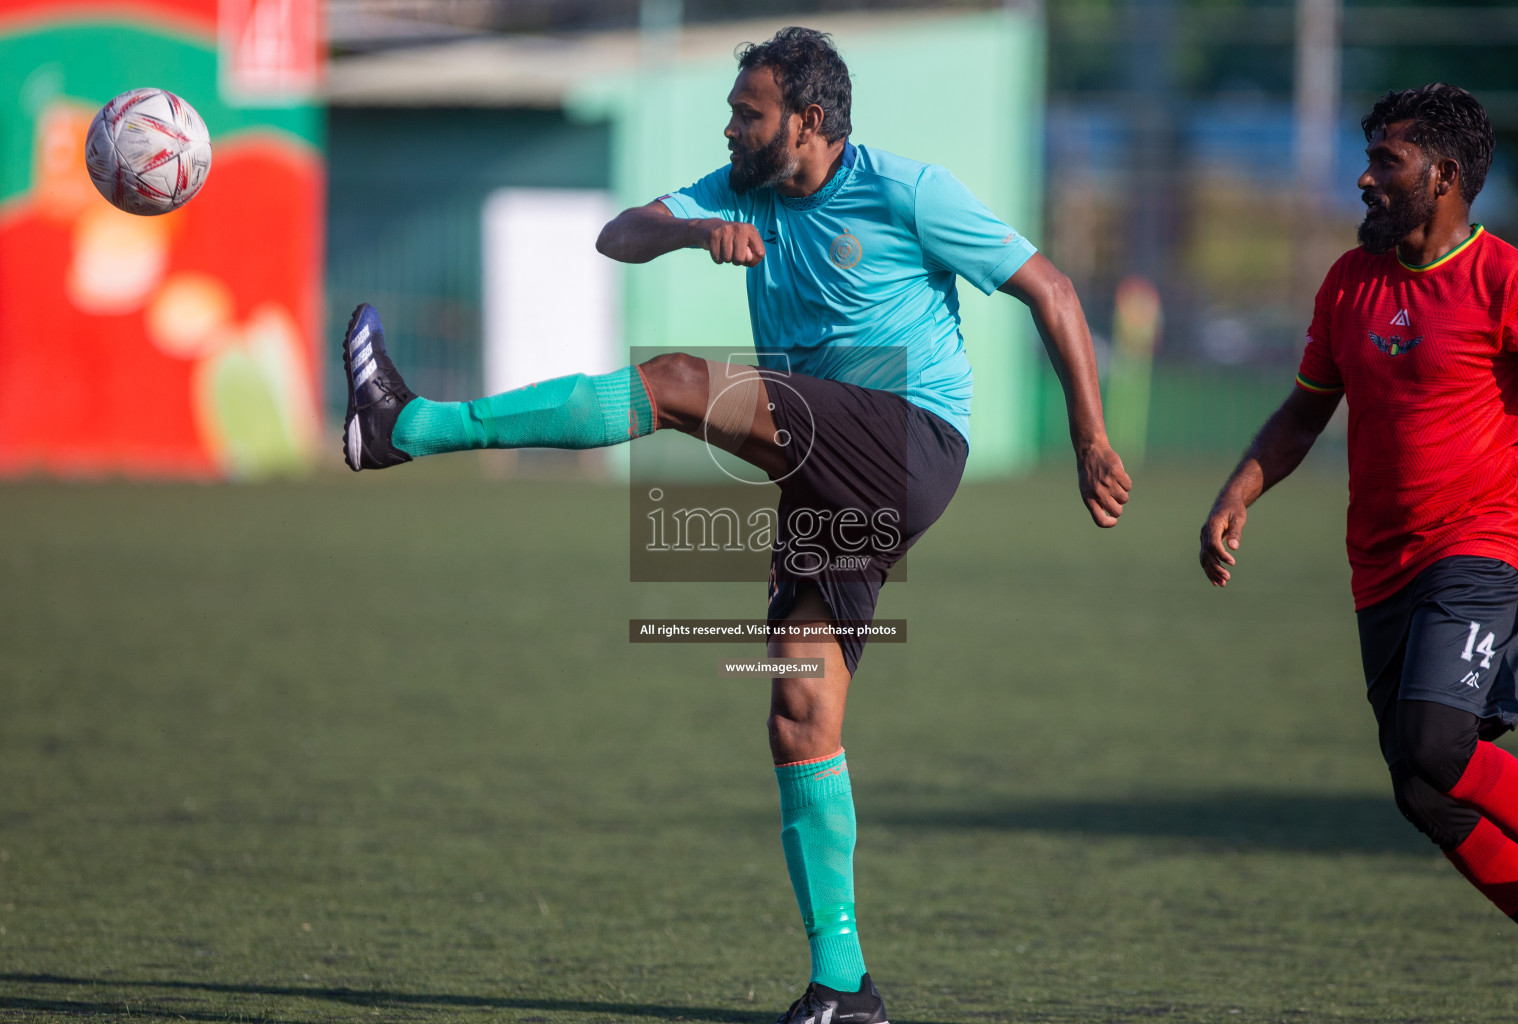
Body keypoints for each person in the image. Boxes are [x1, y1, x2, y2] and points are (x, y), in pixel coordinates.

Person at [343, 26, 1131, 1023]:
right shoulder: (737, 187)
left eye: (745, 112)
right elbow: (616, 232)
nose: (730, 126)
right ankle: (845, 987)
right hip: (826, 468)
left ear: (807, 121)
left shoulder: (906, 191)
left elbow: (1050, 289)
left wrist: (1091, 439)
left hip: (909, 438)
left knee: (674, 382)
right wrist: (688, 230)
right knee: (801, 714)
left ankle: (408, 426)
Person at [1199, 84, 1518, 939]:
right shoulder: (1351, 282)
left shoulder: (1508, 282)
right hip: (1380, 567)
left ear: (1446, 176)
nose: (1363, 179)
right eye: (1368, 159)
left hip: (1482, 545)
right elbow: (1307, 409)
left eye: (1386, 161)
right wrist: (1238, 493)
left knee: (1434, 744)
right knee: (1420, 788)